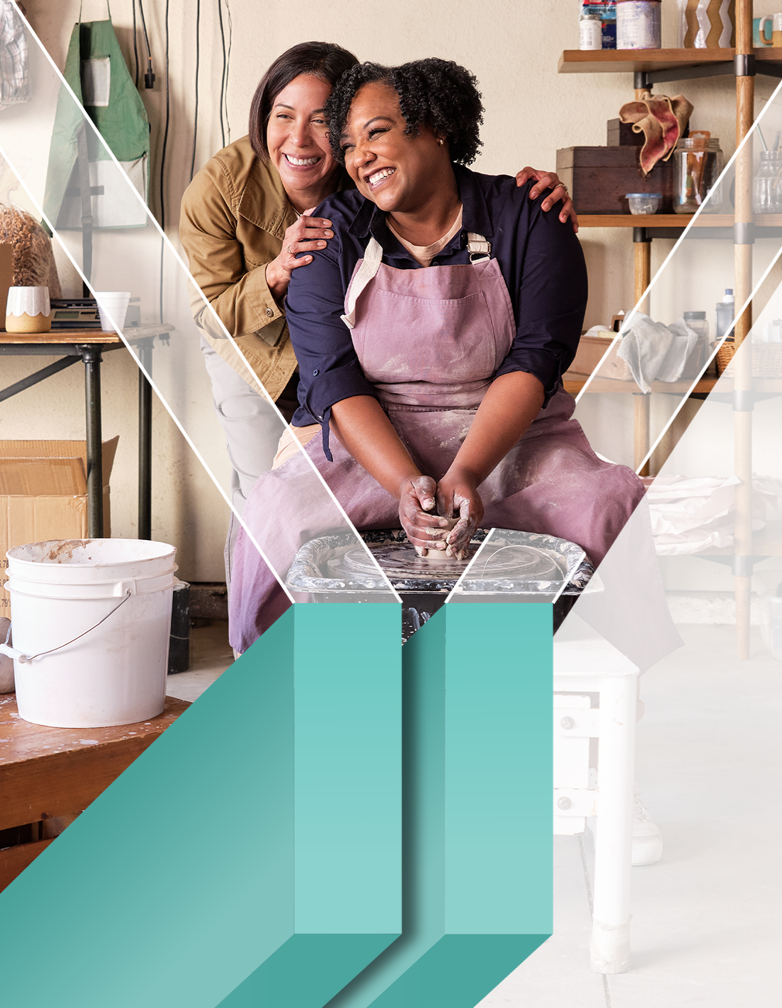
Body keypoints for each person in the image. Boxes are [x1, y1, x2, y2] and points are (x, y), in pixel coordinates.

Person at [226, 58, 643, 651]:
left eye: (377, 133)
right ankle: (285, 694)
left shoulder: (529, 215)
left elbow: (537, 359)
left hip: (513, 440)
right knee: (276, 516)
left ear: (438, 128)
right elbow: (335, 379)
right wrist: (406, 487)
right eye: (348, 145)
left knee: (608, 505)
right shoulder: (329, 237)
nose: (360, 157)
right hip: (371, 447)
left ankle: (596, 695)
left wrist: (468, 473)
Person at [180, 41, 577, 507]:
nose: (300, 139)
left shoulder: (375, 178)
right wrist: (276, 272)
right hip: (250, 342)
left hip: (362, 358)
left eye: (325, 122)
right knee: (262, 497)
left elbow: (537, 349)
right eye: (283, 115)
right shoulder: (223, 186)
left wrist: (537, 205)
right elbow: (212, 312)